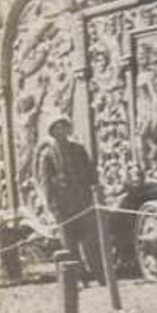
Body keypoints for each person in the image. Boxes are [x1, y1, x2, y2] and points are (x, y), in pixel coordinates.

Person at [35, 114, 106, 286]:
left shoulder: (79, 149)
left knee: (91, 242)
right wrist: (52, 206)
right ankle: (80, 279)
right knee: (70, 245)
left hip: (83, 202)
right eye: (57, 128)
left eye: (64, 127)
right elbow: (46, 183)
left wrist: (95, 191)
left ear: (68, 129)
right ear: (52, 132)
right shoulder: (48, 155)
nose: (61, 131)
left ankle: (101, 276)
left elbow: (90, 172)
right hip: (63, 206)